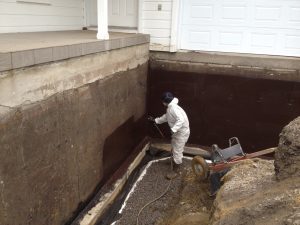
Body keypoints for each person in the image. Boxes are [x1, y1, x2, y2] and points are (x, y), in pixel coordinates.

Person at [150, 92, 190, 179]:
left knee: (177, 150)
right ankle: (176, 161)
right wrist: (156, 120)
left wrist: (173, 129)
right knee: (175, 148)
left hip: (181, 133)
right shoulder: (171, 108)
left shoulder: (174, 109)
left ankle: (177, 170)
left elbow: (181, 120)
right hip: (179, 133)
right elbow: (167, 117)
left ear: (165, 101)